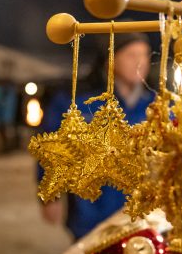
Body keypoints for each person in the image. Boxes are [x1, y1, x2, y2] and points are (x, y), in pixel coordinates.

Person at [38, 33, 154, 240]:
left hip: (143, 217)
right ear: (110, 60)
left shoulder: (156, 106)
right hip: (90, 214)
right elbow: (53, 150)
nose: (140, 62)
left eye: (144, 55)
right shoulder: (79, 102)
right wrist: (49, 196)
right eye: (131, 55)